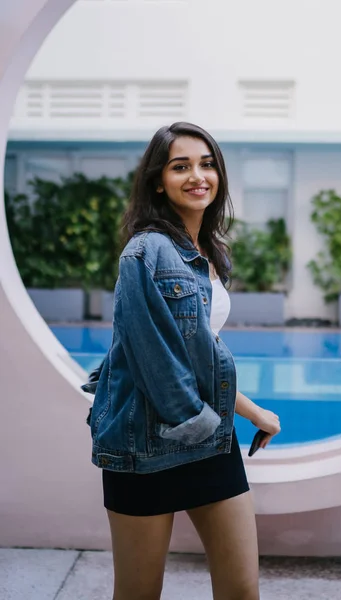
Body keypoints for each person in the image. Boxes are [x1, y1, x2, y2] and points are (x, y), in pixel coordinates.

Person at [87, 122, 281, 600]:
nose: (198, 175)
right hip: (143, 448)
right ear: (158, 180)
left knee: (241, 591)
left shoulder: (210, 251)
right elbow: (155, 359)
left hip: (209, 439)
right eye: (181, 166)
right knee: (138, 594)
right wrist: (201, 424)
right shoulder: (144, 252)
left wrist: (252, 413)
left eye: (207, 163)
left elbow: (198, 360)